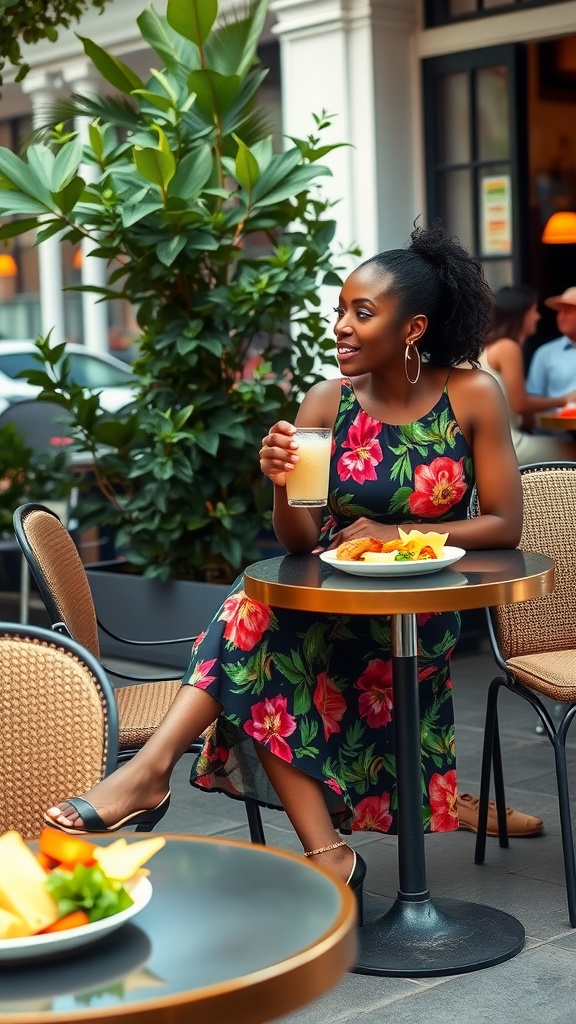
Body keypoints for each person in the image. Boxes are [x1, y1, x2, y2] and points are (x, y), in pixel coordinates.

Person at [45, 224, 542, 911]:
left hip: (418, 611)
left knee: (251, 638)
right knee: (254, 626)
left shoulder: (472, 392)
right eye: (339, 309)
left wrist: (394, 531)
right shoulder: (324, 403)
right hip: (325, 601)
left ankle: (158, 776)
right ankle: (323, 853)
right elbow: (302, 542)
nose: (340, 325)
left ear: (413, 327)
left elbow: (504, 525)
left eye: (361, 313)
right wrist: (281, 484)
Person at [481, 285, 576, 462]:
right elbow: (521, 405)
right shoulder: (508, 347)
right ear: (521, 314)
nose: (538, 316)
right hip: (506, 443)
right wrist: (566, 399)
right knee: (572, 450)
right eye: (534, 311)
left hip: (495, 441)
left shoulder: (492, 347)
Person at [526, 286, 576, 398]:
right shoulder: (545, 353)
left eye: (568, 312)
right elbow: (533, 399)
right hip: (555, 415)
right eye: (559, 312)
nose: (560, 318)